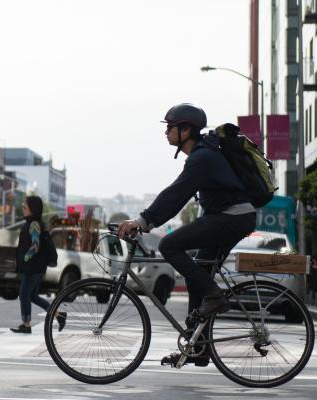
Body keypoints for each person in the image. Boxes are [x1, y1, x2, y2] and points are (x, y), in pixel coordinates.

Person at [118, 103, 257, 366]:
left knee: (169, 245)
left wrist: (143, 220)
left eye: (170, 126)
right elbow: (177, 194)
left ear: (185, 130)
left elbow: (176, 194)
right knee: (199, 276)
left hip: (233, 217)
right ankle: (199, 348)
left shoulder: (202, 158)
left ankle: (215, 297)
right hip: (231, 216)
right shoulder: (202, 155)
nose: (166, 131)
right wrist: (146, 220)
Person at [9, 196, 65, 333]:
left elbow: (35, 245)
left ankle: (26, 325)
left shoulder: (34, 224)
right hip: (36, 267)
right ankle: (59, 314)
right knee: (32, 296)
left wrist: (26, 257)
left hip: (33, 268)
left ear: (32, 209)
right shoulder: (33, 223)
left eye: (25, 206)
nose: (22, 208)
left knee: (23, 294)